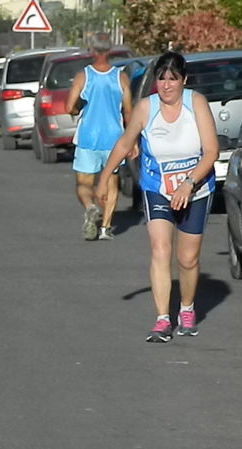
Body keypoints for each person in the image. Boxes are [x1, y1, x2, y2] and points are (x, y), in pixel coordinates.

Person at [96, 51, 218, 343]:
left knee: (187, 259)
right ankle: (163, 319)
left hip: (196, 188)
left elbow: (211, 151)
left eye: (172, 79)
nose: (166, 85)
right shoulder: (145, 108)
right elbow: (125, 142)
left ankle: (186, 309)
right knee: (160, 249)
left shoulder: (196, 103)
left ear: (183, 81)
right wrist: (104, 178)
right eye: (161, 79)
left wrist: (189, 183)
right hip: (157, 186)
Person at [65, 32, 133, 241]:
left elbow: (69, 107)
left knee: (83, 185)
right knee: (111, 184)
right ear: (110, 50)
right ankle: (105, 227)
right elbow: (129, 112)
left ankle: (90, 206)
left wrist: (78, 109)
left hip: (88, 137)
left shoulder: (82, 76)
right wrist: (132, 139)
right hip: (114, 139)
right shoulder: (120, 77)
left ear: (92, 51)